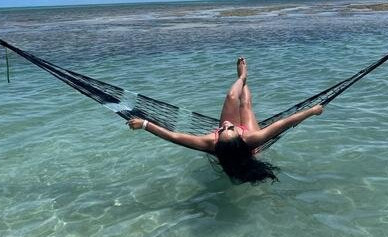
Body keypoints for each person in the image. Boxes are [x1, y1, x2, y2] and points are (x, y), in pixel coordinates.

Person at [127, 57, 323, 183]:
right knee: (243, 103)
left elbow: (173, 136)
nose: (226, 125)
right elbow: (284, 123)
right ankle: (243, 78)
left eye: (222, 130)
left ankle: (242, 78)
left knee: (234, 98)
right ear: (239, 136)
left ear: (217, 139)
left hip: (234, 147)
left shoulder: (211, 141)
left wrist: (144, 124)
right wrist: (312, 111)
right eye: (228, 128)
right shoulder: (252, 138)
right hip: (245, 144)